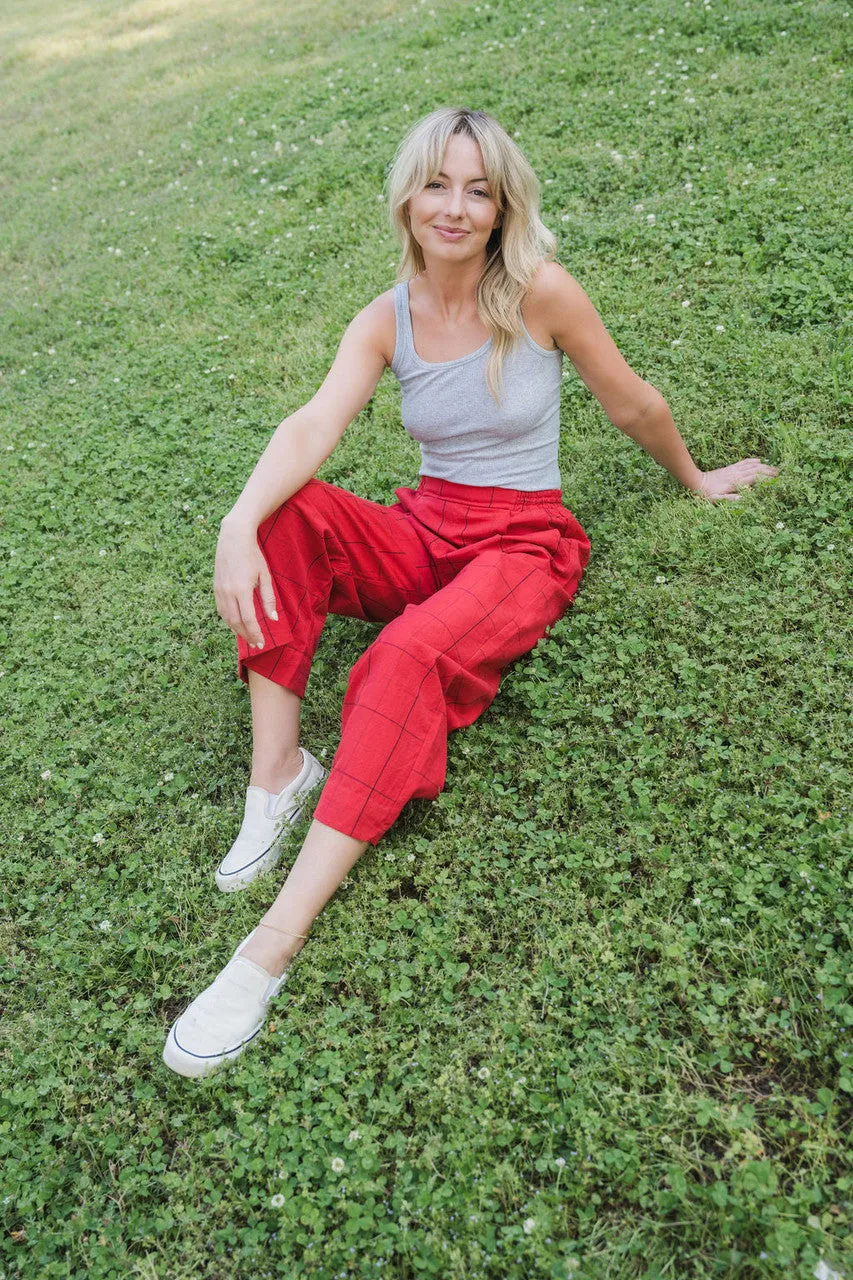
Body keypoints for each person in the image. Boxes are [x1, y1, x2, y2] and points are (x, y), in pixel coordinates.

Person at [162, 107, 778, 1078]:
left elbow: (632, 401)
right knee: (289, 514)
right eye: (437, 184)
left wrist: (696, 478)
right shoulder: (385, 316)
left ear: (502, 208)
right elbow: (312, 425)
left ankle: (268, 945)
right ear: (407, 196)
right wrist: (238, 523)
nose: (454, 206)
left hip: (523, 545)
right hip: (427, 526)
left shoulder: (540, 295)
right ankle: (278, 773)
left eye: (478, 189)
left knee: (401, 655)